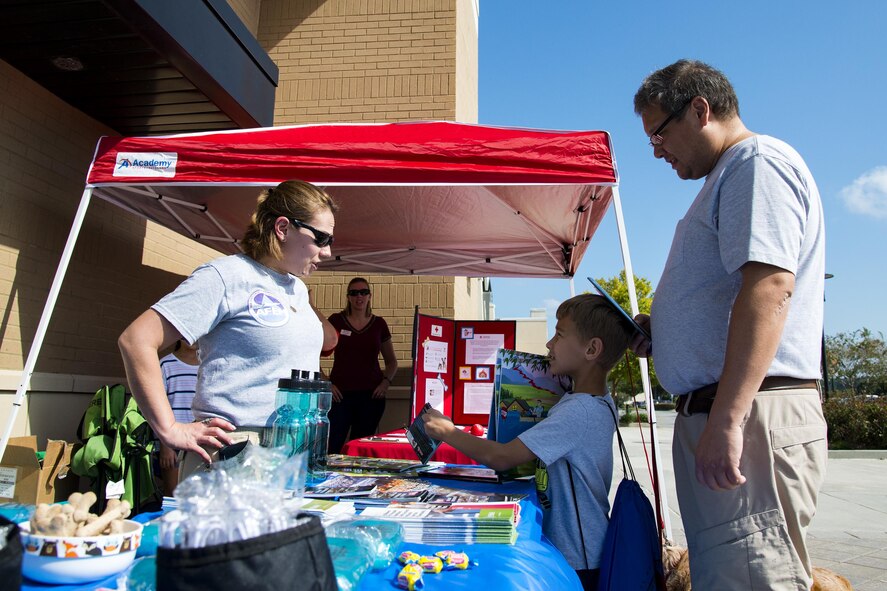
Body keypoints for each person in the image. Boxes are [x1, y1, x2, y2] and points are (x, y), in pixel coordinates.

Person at [632, 59, 826, 590]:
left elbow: (768, 288)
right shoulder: (734, 173)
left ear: (700, 109)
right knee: (729, 577)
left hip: (748, 414)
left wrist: (728, 418)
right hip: (731, 412)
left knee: (751, 579)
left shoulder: (756, 164)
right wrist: (667, 332)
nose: (656, 150)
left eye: (659, 133)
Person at [118, 180, 339, 476]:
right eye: (321, 238)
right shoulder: (226, 276)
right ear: (283, 228)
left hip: (294, 451)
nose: (327, 252)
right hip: (236, 452)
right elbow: (137, 340)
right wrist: (169, 428)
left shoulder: (296, 288)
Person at [423, 294, 633, 590]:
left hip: (578, 556)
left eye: (559, 335)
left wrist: (447, 431)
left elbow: (503, 458)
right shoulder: (593, 400)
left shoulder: (579, 411)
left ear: (592, 348)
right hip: (584, 546)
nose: (549, 344)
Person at [326, 277, 398, 453]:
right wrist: (326, 383)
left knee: (359, 448)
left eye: (364, 292)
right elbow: (312, 352)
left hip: (370, 397)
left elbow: (392, 362)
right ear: (348, 297)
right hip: (339, 397)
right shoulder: (336, 320)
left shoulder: (379, 324)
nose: (359, 296)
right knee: (333, 446)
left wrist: (386, 382)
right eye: (354, 292)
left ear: (369, 296)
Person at [157, 339, 199, 496]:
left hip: (200, 441)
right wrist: (165, 446)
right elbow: (159, 405)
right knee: (173, 496)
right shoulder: (165, 365)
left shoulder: (208, 365)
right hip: (172, 443)